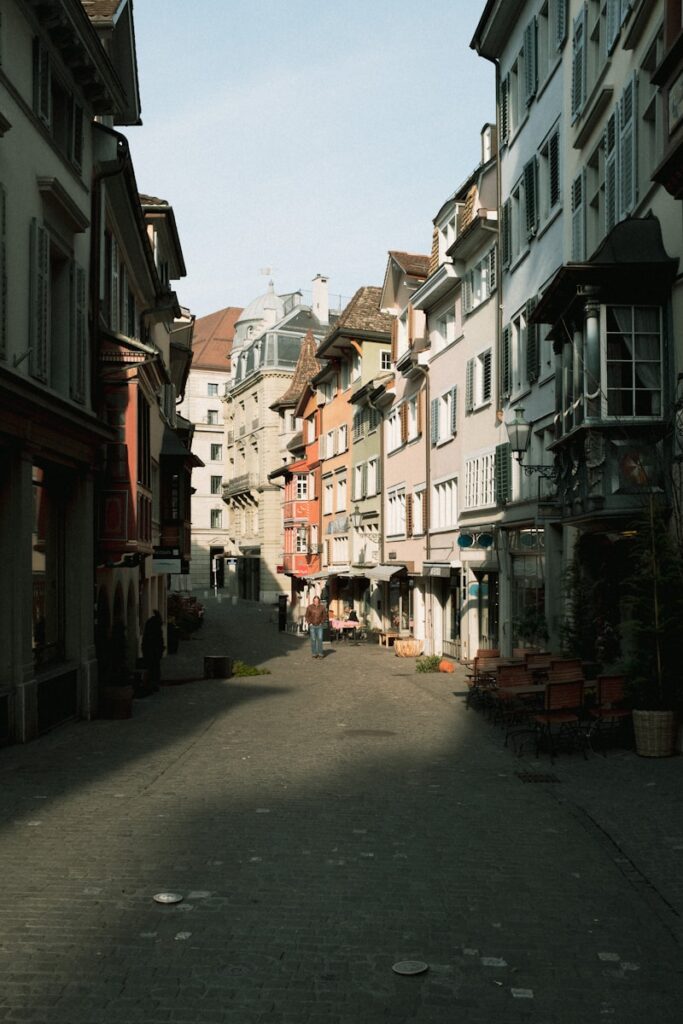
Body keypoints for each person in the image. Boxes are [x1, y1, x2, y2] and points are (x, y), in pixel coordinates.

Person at [141, 610, 165, 690]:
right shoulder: (155, 626)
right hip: (153, 650)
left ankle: (151, 683)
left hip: (150, 650)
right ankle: (153, 684)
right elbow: (159, 640)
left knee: (152, 667)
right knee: (154, 668)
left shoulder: (151, 624)